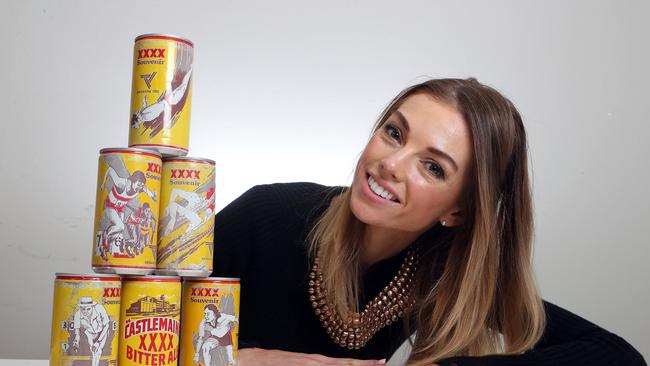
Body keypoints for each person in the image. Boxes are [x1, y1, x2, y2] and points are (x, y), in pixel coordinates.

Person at [211, 78, 646, 366]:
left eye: (433, 167)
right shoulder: (266, 215)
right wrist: (239, 359)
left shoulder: (444, 273)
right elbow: (146, 331)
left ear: (457, 211)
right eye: (394, 133)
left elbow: (617, 356)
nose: (390, 164)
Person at [72, 296, 111, 366]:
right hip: (89, 333)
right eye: (83, 309)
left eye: (88, 309)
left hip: (102, 332)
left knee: (98, 351)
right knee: (93, 351)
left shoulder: (100, 309)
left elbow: (106, 326)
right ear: (80, 308)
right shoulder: (77, 314)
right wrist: (76, 341)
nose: (85, 312)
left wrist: (98, 342)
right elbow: (77, 332)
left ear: (92, 306)